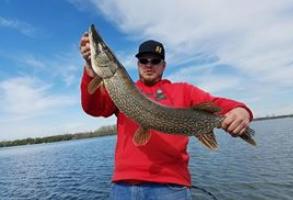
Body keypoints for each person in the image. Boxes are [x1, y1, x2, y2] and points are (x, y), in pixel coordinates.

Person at [79, 32, 253, 200]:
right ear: (137, 64)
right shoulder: (121, 88)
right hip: (124, 185)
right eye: (143, 60)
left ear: (164, 65)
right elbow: (93, 108)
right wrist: (89, 68)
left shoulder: (183, 90)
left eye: (155, 61)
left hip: (170, 186)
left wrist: (241, 110)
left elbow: (219, 105)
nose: (149, 65)